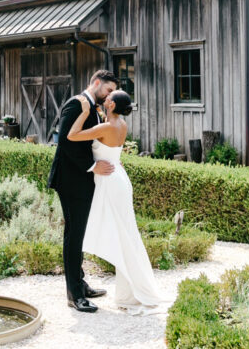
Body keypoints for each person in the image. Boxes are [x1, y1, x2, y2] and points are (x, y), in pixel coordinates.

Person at [69, 89, 166, 315]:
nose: (104, 100)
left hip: (110, 182)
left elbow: (72, 135)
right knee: (126, 235)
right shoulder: (120, 124)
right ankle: (129, 292)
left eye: (108, 99)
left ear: (111, 105)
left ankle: (133, 292)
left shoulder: (106, 126)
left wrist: (84, 113)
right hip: (117, 177)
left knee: (122, 236)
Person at [48, 69, 118, 312]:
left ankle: (81, 283)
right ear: (96, 83)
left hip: (84, 180)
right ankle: (74, 294)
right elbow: (65, 142)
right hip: (70, 180)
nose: (109, 95)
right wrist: (92, 165)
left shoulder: (94, 108)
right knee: (74, 235)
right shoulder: (76, 104)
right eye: (108, 90)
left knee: (80, 233)